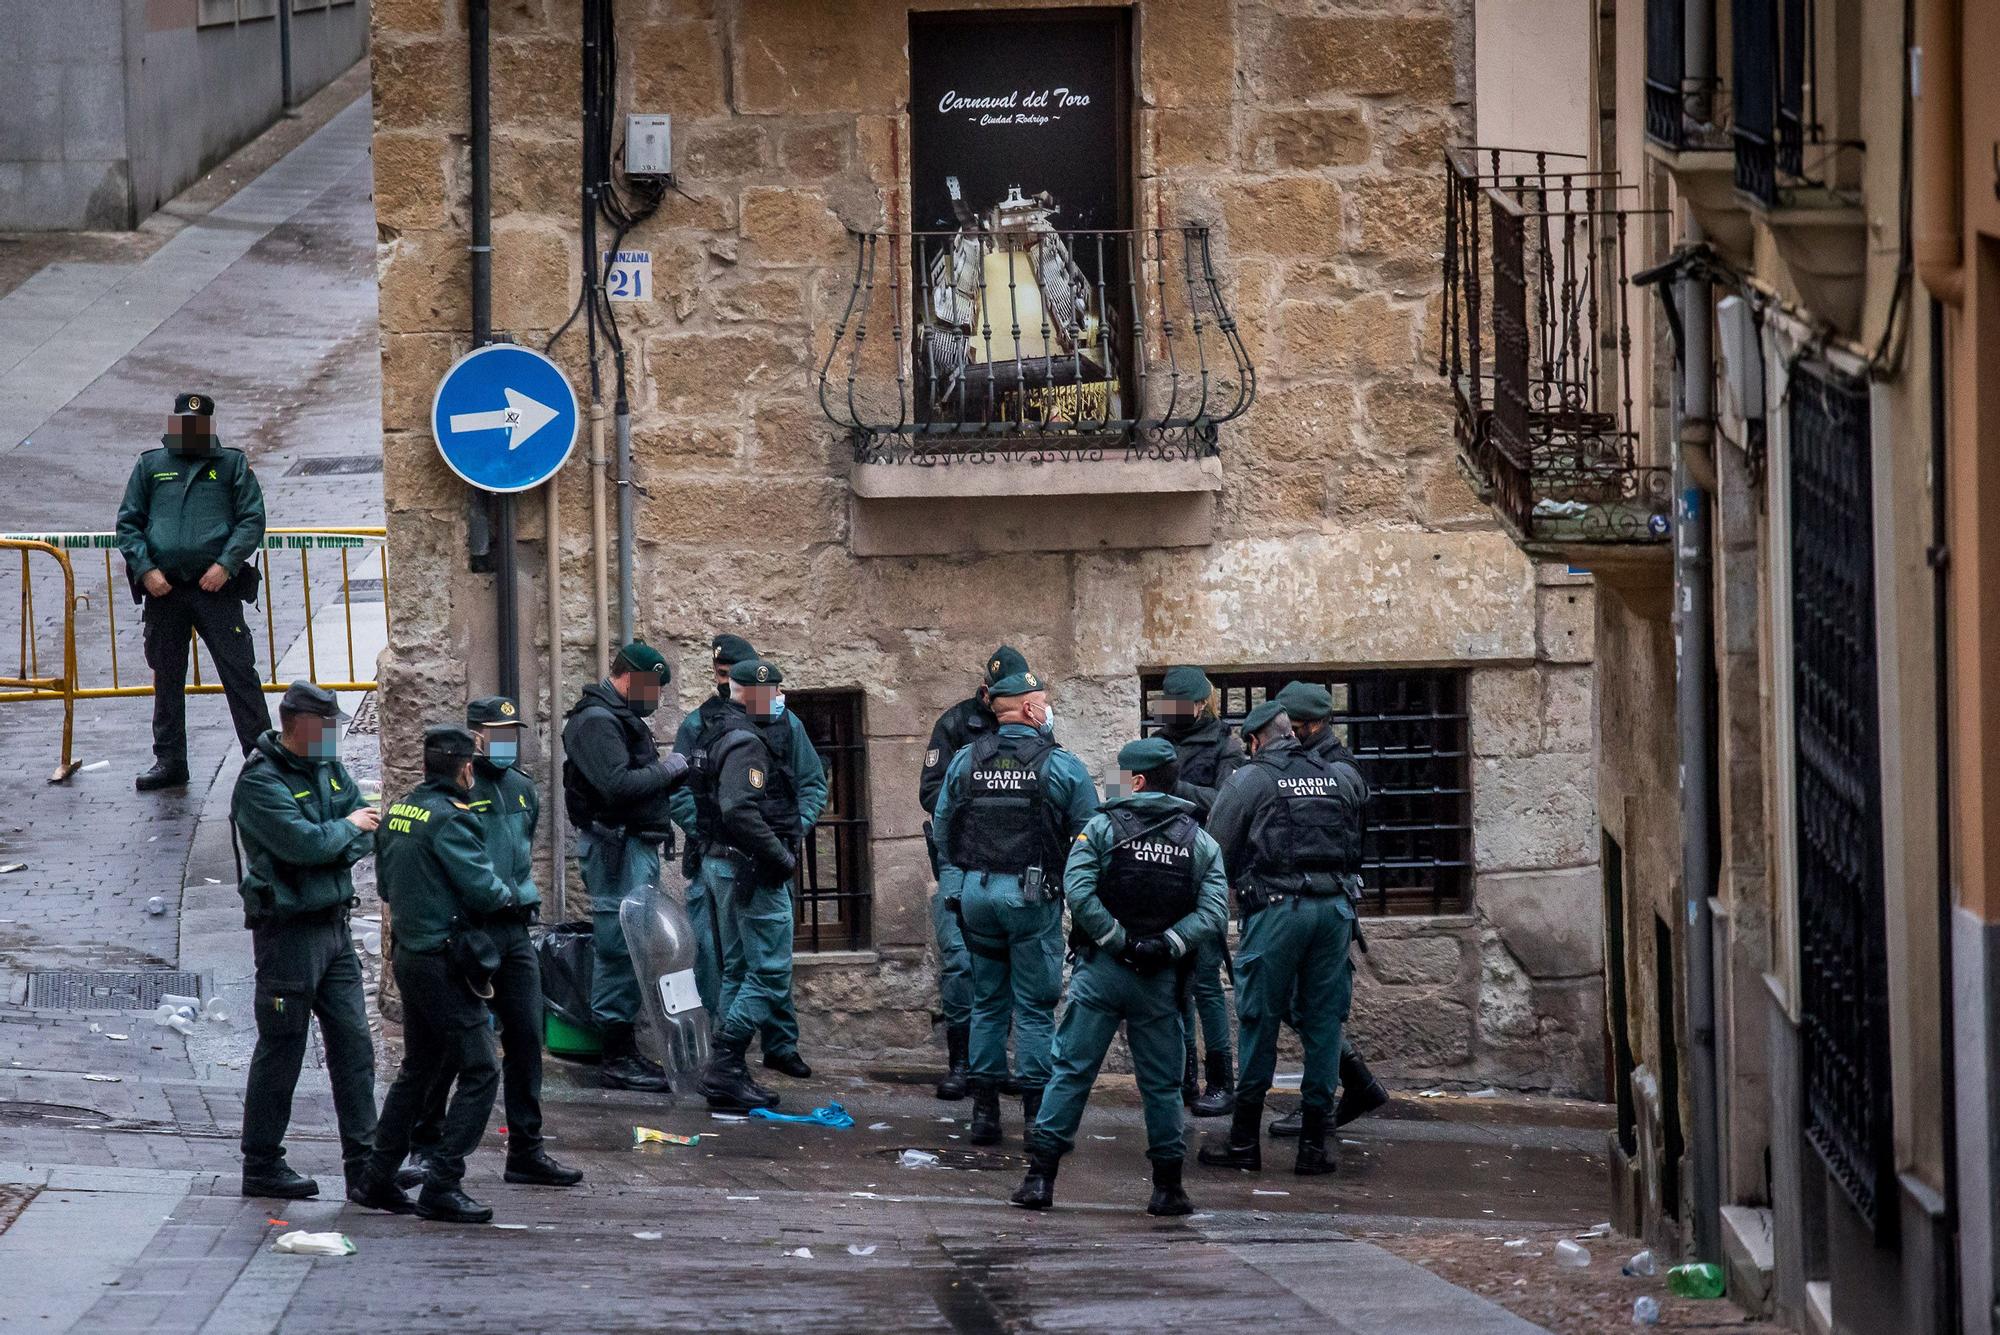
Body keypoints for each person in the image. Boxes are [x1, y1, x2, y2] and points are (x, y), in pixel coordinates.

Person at [1010, 738, 1228, 1216]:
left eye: (1118, 774)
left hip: (1102, 973)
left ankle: (1040, 1180)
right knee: (1163, 1085)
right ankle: (1168, 1188)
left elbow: (1078, 890)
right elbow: (1213, 911)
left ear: (1138, 781)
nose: (1110, 782)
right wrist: (1166, 943)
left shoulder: (1100, 829)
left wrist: (1116, 940)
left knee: (1070, 1071)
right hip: (1161, 980)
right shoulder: (1200, 841)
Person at [396, 697, 582, 1193]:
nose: (506, 741)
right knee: (451, 1047)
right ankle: (426, 1142)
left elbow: (523, 851)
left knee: (525, 1037)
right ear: (475, 738)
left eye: (512, 731)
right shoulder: (456, 791)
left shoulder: (521, 788)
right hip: (470, 931)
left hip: (515, 929)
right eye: (496, 733)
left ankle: (526, 1149)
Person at [350, 725, 515, 1223]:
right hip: (443, 960)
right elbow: (484, 890)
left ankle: (377, 1177)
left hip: (410, 955)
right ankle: (443, 1181)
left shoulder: (399, 810)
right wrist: (511, 898)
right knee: (482, 1068)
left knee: (418, 1069)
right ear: (465, 767)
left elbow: (383, 884)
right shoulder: (452, 819)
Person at [1198, 700, 1366, 1176]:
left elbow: (1215, 852)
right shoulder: (1339, 776)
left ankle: (1243, 1143)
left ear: (1255, 741)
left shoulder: (1251, 779)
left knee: (1259, 1021)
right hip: (1334, 911)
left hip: (1277, 912)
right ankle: (1315, 1147)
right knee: (1323, 1025)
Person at [932, 669, 1099, 1146]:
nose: (1048, 709)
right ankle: (1033, 1117)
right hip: (1030, 897)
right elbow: (1090, 837)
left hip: (976, 894)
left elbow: (942, 829)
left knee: (987, 1001)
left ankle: (984, 1114)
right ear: (1030, 709)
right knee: (1033, 1007)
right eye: (1044, 701)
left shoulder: (965, 761)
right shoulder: (1061, 764)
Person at [231, 680, 378, 1200]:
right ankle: (262, 1164)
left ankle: (365, 1165)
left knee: (355, 1046)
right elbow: (302, 844)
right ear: (298, 727)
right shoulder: (260, 782)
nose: (334, 735)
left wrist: (337, 837)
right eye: (325, 727)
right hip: (287, 933)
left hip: (333, 927)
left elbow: (367, 827)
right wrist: (341, 834)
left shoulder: (328, 768)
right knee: (283, 1049)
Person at [674, 634, 827, 1077]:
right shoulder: (703, 722)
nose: (725, 683)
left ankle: (775, 1046)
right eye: (721, 675)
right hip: (726, 857)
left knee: (762, 959)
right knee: (733, 961)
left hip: (766, 853)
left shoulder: (785, 723)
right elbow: (686, 791)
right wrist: (704, 829)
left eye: (731, 675)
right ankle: (724, 1056)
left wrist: (788, 835)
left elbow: (812, 783)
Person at [116, 392, 272, 790]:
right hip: (165, 591)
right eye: (183, 423)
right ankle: (169, 760)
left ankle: (262, 760)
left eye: (197, 425)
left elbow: (252, 519)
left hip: (215, 589)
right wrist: (146, 570)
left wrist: (226, 564)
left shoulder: (231, 464)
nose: (190, 430)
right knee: (166, 676)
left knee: (239, 674)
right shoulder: (151, 465)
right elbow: (128, 524)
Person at [561, 641, 691, 1092]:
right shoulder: (596, 721)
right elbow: (617, 785)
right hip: (616, 850)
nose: (654, 696)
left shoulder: (619, 718)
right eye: (652, 686)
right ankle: (616, 1055)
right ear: (629, 678)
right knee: (619, 947)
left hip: (633, 848)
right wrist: (674, 767)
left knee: (634, 944)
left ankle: (623, 1050)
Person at [1263, 680, 1389, 1138]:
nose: (1287, 737)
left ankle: (1329, 1101)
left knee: (1314, 1006)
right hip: (1298, 899)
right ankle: (1357, 1084)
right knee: (1294, 1004)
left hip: (1326, 902)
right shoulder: (1304, 761)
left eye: (1293, 729)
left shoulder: (1341, 769)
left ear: (1315, 724)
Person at [917, 644, 1029, 1100]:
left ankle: (1002, 1064)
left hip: (1015, 861)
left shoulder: (1036, 729)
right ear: (986, 691)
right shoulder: (955, 724)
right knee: (961, 963)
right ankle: (962, 1064)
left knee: (1013, 965)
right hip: (961, 860)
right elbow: (929, 794)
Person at [695, 658, 806, 1111]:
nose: (779, 701)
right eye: (774, 694)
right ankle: (725, 1063)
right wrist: (779, 856)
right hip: (751, 869)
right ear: (755, 695)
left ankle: (729, 1074)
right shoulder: (745, 741)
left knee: (739, 970)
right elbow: (739, 809)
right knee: (770, 974)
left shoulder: (717, 730)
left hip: (722, 864)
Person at [1153, 665, 1245, 1118]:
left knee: (1206, 981)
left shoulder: (1227, 745)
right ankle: (1184, 1076)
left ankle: (1220, 1080)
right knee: (1174, 985)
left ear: (1199, 704)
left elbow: (1227, 803)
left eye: (1178, 706)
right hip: (1159, 869)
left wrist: (1173, 788)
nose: (1169, 714)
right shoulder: (1153, 744)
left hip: (1203, 869)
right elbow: (1115, 795)